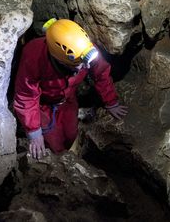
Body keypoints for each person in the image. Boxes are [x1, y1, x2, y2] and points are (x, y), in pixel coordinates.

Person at [13, 19, 128, 159]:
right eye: (79, 65)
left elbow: (101, 73)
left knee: (71, 135)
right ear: (61, 60)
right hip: (43, 106)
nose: (87, 67)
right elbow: (26, 96)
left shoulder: (85, 50)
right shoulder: (33, 56)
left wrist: (111, 102)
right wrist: (34, 132)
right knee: (55, 146)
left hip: (68, 100)